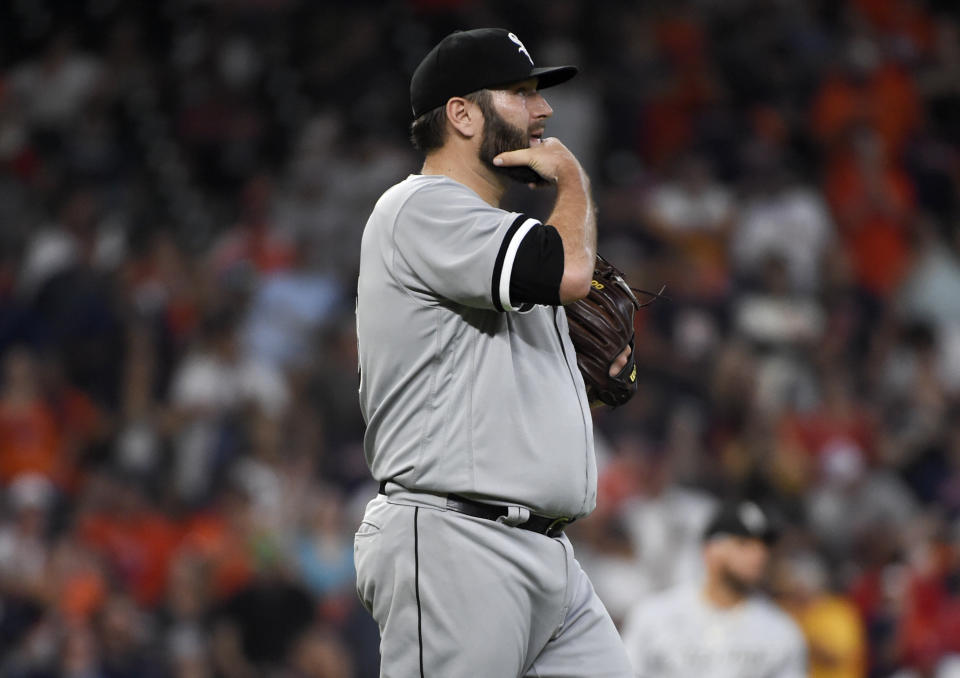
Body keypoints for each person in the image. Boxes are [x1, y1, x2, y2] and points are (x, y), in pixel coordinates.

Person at [354, 27, 633, 677]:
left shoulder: (496, 238)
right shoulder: (419, 209)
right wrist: (573, 177)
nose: (544, 112)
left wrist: (582, 388)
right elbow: (565, 272)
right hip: (458, 544)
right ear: (462, 114)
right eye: (520, 93)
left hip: (547, 557)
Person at [620, 500, 807, 678]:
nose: (758, 555)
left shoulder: (780, 630)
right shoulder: (653, 616)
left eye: (763, 546)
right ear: (710, 549)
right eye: (743, 544)